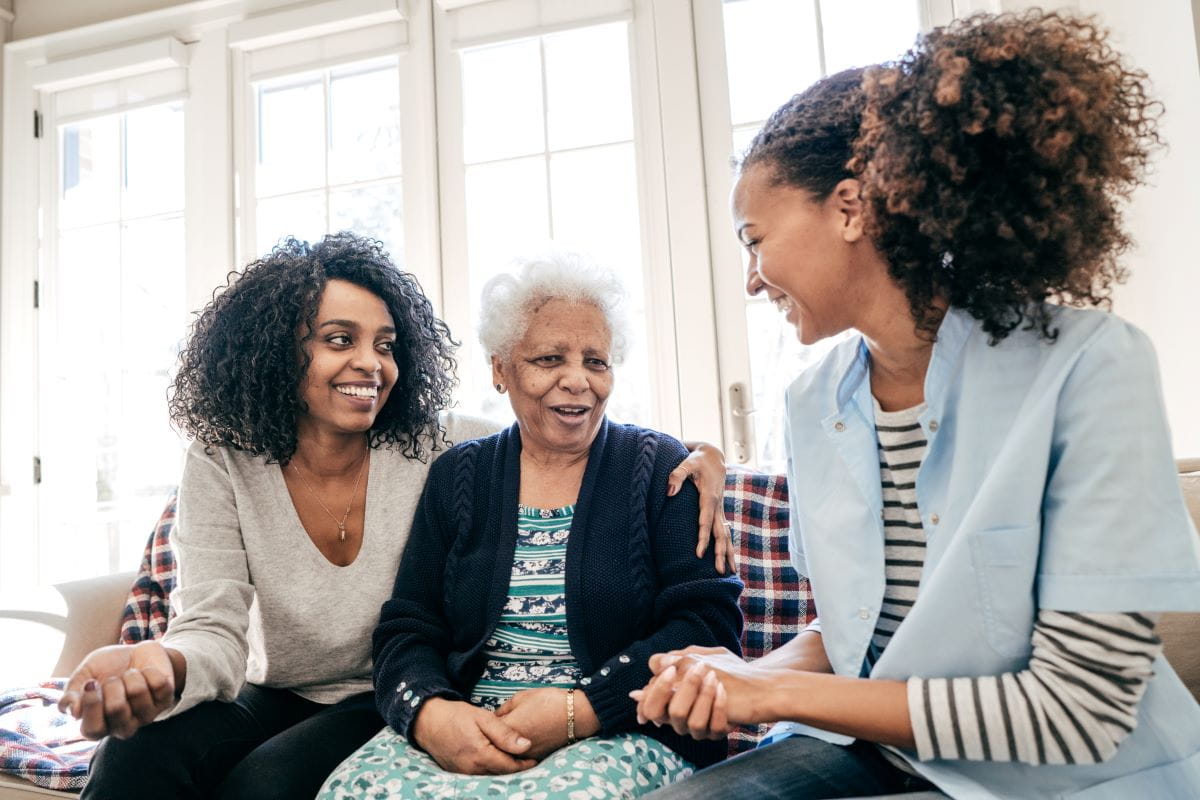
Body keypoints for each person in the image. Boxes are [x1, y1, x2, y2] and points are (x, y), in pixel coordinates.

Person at [634, 11, 1200, 800]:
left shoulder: (1090, 365)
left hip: (1065, 775)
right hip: (885, 751)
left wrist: (775, 692)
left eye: (753, 239)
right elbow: (853, 630)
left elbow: (1079, 711)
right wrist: (740, 674)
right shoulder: (809, 401)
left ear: (849, 207)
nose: (752, 278)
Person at [57, 234, 733, 800]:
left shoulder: (438, 445)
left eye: (384, 344)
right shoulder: (228, 460)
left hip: (375, 697)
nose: (369, 364)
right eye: (339, 339)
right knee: (133, 759)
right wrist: (163, 662)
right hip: (282, 686)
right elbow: (214, 628)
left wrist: (703, 455)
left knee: (263, 788)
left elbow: (564, 432)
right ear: (274, 351)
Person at [318, 251, 744, 799]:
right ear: (501, 370)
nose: (577, 381)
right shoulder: (459, 475)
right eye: (548, 359)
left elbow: (707, 625)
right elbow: (409, 627)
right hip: (474, 725)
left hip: (621, 728)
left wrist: (581, 710)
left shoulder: (661, 468)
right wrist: (431, 714)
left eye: (596, 361)